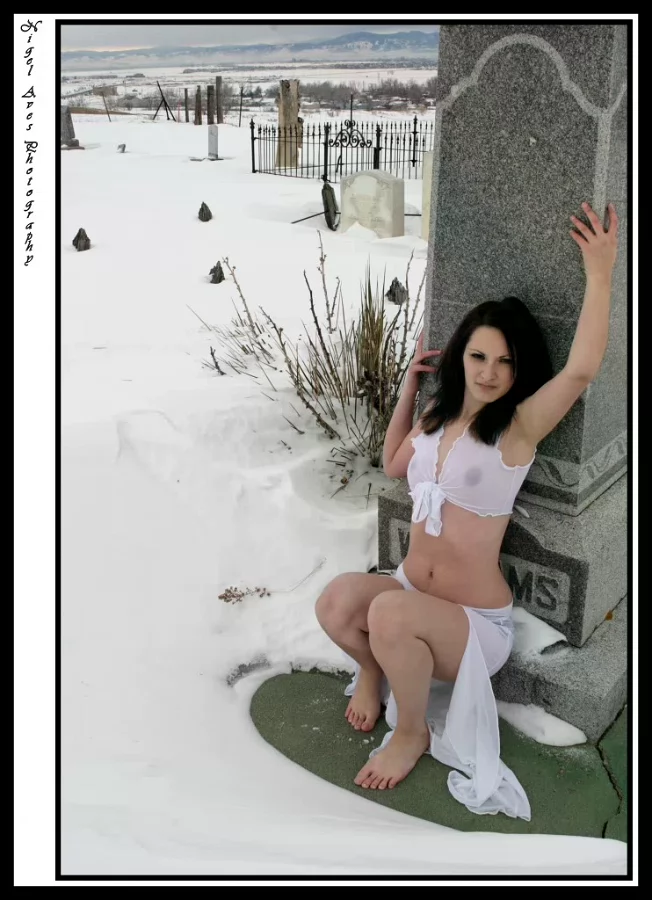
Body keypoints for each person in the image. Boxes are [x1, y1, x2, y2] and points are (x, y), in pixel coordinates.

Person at [315, 201, 619, 818]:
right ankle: (373, 670)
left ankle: (411, 733)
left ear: (519, 370)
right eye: (478, 356)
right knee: (337, 602)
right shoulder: (438, 414)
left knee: (389, 613)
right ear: (461, 355)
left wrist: (601, 271)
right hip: (411, 593)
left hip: (473, 627)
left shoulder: (519, 428)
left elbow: (582, 369)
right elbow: (394, 462)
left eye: (505, 362)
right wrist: (409, 388)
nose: (489, 372)